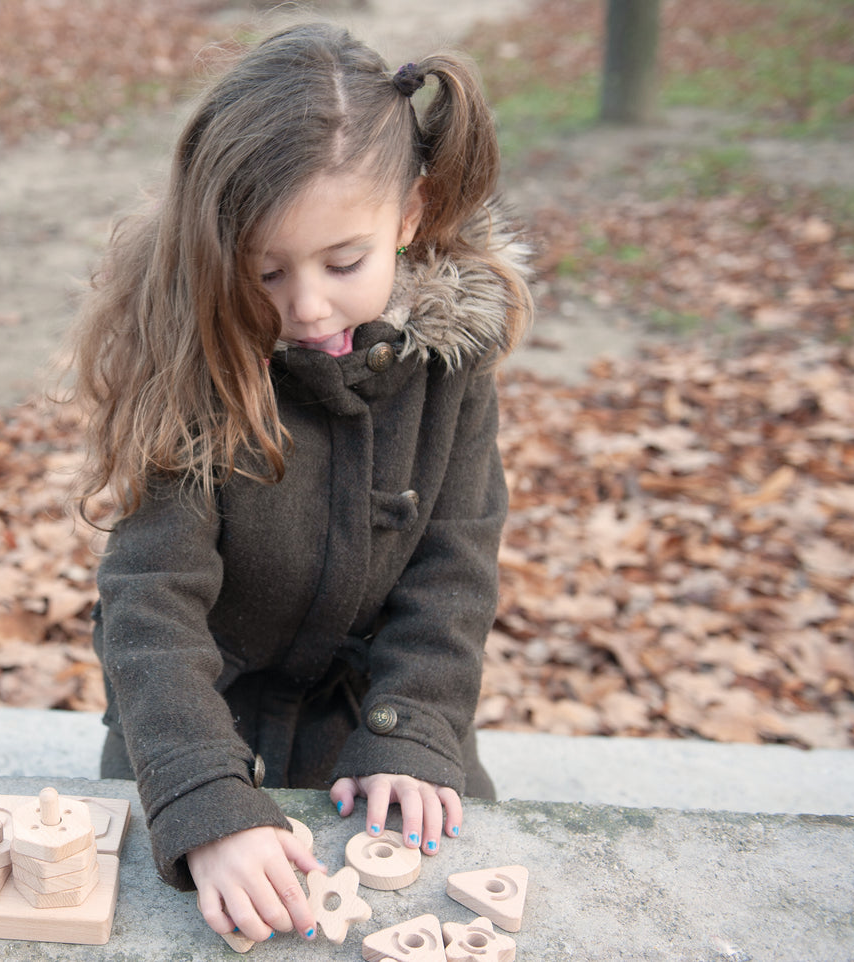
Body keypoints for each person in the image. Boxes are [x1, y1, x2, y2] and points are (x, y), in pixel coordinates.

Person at [64, 21, 532, 944]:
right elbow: (148, 603)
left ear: (408, 215)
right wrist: (205, 796)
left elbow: (453, 564)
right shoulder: (191, 363)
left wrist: (411, 728)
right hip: (198, 724)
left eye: (343, 262)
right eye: (265, 272)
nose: (307, 306)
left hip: (371, 720)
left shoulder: (451, 368)